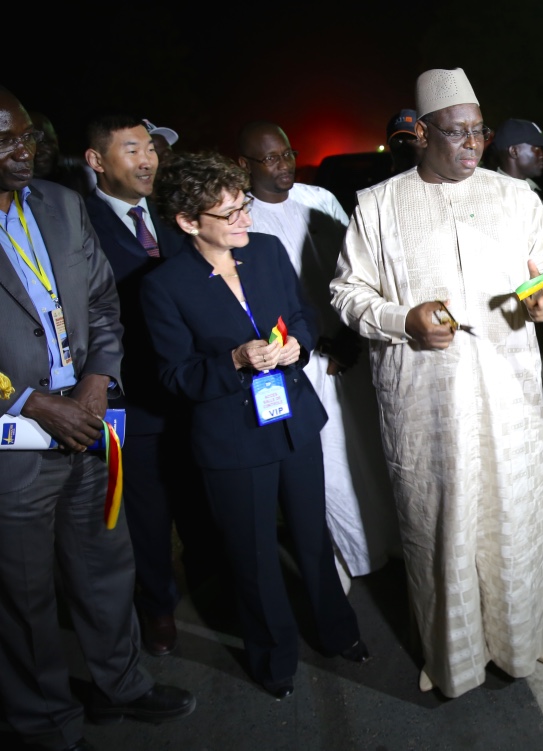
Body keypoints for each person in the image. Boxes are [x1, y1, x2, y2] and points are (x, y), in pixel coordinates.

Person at [330, 67, 543, 698]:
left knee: (519, 510)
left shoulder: (516, 198)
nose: (471, 145)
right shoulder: (379, 205)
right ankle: (450, 650)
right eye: (457, 133)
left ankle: (530, 633)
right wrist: (400, 319)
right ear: (423, 133)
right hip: (426, 400)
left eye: (479, 132)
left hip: (509, 392)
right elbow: (346, 292)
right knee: (441, 521)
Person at [0, 87, 195, 751]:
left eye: (25, 136)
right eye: (4, 141)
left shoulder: (59, 204)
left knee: (106, 567)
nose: (21, 151)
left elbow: (104, 307)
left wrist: (92, 384)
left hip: (90, 424)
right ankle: (45, 723)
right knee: (25, 598)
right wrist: (32, 402)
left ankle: (122, 684)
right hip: (17, 443)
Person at [141, 151, 369, 700]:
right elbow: (174, 377)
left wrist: (297, 346)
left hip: (294, 420)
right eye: (232, 213)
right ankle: (273, 658)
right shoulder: (164, 285)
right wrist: (236, 362)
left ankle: (337, 632)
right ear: (189, 222)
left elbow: (304, 317)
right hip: (231, 438)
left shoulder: (265, 252)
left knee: (313, 537)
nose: (247, 219)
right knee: (255, 556)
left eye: (244, 205)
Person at [237, 120, 399, 590]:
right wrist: (312, 342)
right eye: (269, 158)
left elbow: (356, 272)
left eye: (286, 154)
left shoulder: (320, 200)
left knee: (370, 446)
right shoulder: (243, 218)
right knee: (329, 463)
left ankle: (390, 541)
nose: (282, 165)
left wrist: (349, 335)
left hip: (352, 345)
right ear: (243, 165)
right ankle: (348, 554)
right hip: (301, 359)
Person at [84, 114, 220, 657]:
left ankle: (212, 584)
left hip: (189, 386)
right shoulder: (78, 221)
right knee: (145, 512)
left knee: (199, 494)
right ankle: (158, 606)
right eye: (132, 150)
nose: (147, 161)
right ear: (97, 161)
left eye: (151, 150)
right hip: (131, 396)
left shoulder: (170, 216)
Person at [491, 117, 543, 448]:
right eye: (535, 147)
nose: (541, 154)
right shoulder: (493, 197)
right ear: (513, 151)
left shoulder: (532, 194)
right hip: (514, 320)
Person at [386, 109, 423, 176]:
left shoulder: (443, 183)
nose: (405, 147)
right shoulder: (383, 185)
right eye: (397, 141)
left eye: (413, 140)